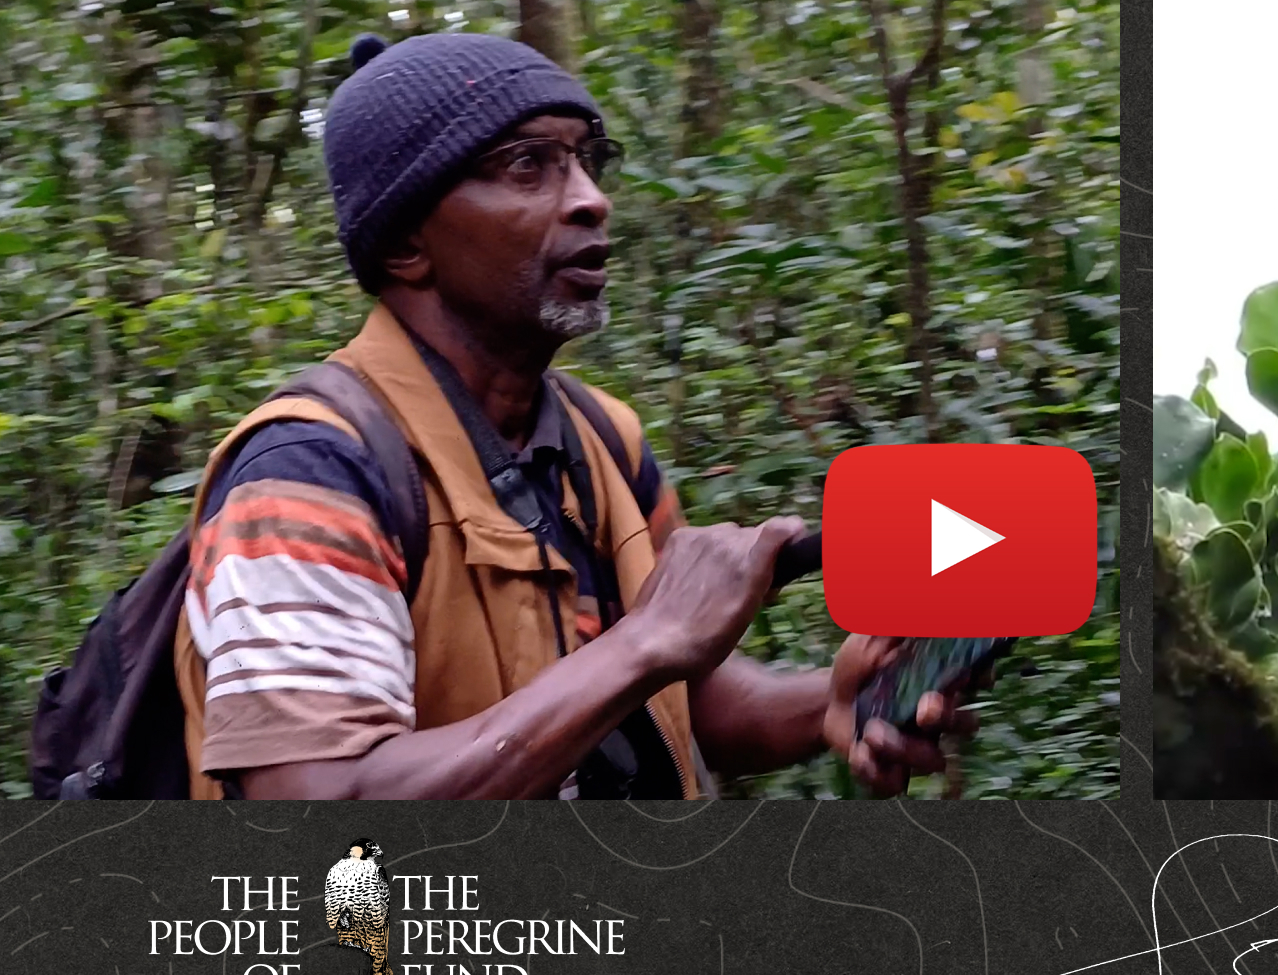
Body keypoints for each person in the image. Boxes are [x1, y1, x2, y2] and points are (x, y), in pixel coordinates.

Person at [172, 31, 969, 800]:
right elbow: (321, 806)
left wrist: (826, 703)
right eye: (528, 166)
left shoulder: (604, 440)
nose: (592, 200)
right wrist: (646, 639)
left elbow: (685, 700)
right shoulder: (310, 473)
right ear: (406, 244)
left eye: (586, 160)